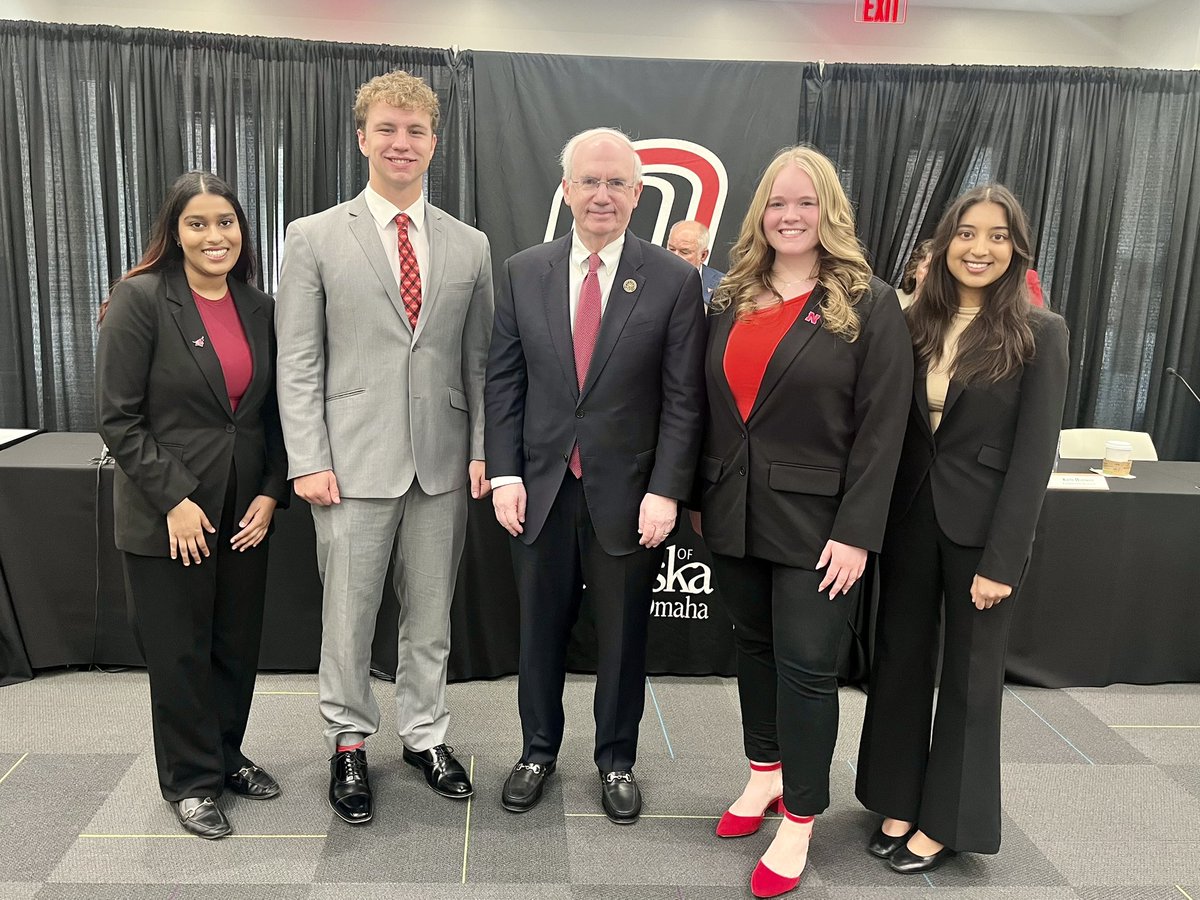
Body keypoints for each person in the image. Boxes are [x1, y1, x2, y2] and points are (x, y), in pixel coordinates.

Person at [691, 145, 912, 899]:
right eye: (777, 204)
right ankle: (763, 775)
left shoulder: (869, 301)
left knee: (808, 670)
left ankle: (801, 814)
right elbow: (714, 411)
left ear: (829, 213)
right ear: (761, 214)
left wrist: (857, 531)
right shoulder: (731, 295)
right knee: (752, 649)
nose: (790, 216)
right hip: (735, 509)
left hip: (821, 526)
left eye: (806, 203)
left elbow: (885, 430)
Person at [274, 69, 494, 825]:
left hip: (441, 462)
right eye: (388, 129)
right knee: (349, 615)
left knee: (430, 616)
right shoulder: (312, 237)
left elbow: (477, 360)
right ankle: (347, 743)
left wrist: (482, 447)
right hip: (348, 464)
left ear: (435, 143)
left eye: (417, 131)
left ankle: (425, 734)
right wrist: (307, 457)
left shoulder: (470, 246)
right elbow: (297, 359)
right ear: (362, 136)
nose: (402, 143)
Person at [485, 127, 706, 825]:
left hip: (630, 495)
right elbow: (504, 383)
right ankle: (537, 751)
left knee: (622, 639)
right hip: (541, 490)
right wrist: (503, 475)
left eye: (617, 183)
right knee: (538, 632)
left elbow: (683, 399)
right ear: (566, 190)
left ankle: (616, 759)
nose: (602, 194)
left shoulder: (672, 280)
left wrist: (667, 490)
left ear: (638, 194)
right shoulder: (524, 271)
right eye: (589, 181)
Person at [855, 185, 1069, 873]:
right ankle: (896, 795)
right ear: (944, 243)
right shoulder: (911, 320)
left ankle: (947, 821)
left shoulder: (1041, 333)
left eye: (998, 236)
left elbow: (1035, 458)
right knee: (900, 661)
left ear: (1016, 249)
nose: (981, 248)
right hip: (910, 517)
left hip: (983, 533)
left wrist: (1006, 560)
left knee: (973, 679)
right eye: (968, 233)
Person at [96, 170, 289, 839]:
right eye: (198, 223)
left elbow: (272, 417)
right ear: (174, 232)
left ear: (243, 230)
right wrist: (174, 497)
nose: (215, 236)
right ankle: (191, 781)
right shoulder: (142, 298)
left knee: (234, 647)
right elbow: (118, 421)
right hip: (168, 515)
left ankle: (227, 756)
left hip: (242, 511)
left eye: (226, 222)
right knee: (179, 652)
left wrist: (270, 492)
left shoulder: (259, 306)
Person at [668, 219, 725, 307]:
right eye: (671, 249)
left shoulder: (723, 286)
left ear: (703, 256)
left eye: (684, 252)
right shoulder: (651, 274)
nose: (675, 257)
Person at [895, 239, 932, 309]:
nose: (933, 274)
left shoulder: (947, 314)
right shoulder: (893, 298)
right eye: (928, 267)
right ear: (914, 270)